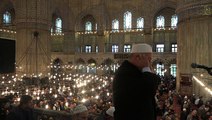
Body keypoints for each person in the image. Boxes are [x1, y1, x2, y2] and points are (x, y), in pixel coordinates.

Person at [112, 43, 160, 120]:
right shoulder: (125, 73)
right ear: (137, 57)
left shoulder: (135, 71)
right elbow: (150, 87)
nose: (150, 63)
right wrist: (147, 68)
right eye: (149, 59)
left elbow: (156, 81)